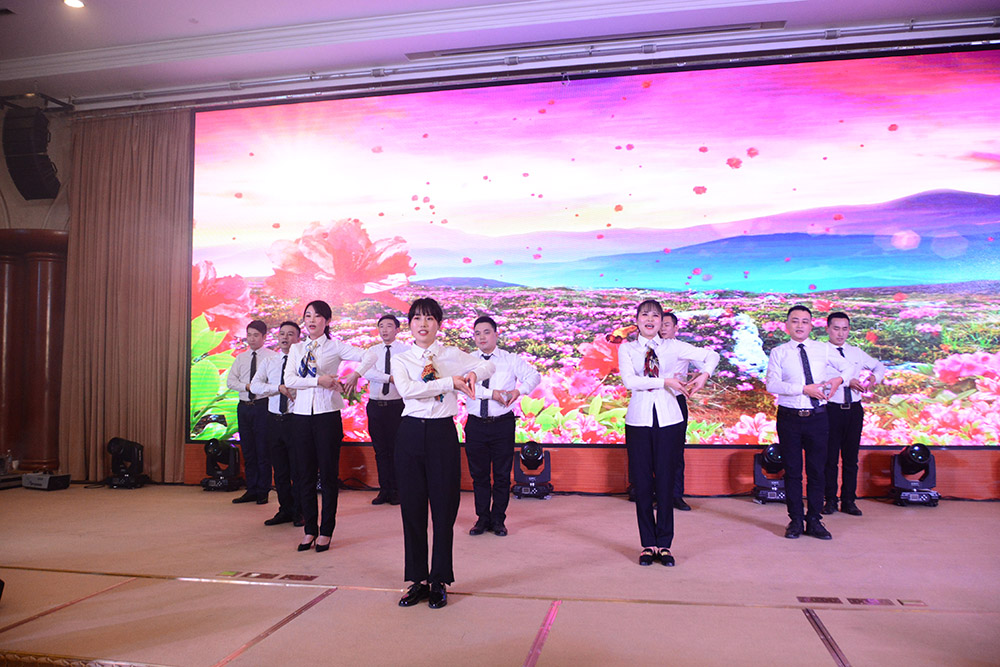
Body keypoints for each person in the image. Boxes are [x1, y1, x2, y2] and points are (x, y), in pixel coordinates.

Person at [393, 298, 494, 609]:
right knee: (412, 510)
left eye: (429, 319)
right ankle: (417, 580)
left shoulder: (451, 354)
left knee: (443, 509)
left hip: (441, 434)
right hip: (410, 433)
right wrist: (450, 382)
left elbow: (487, 364)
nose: (423, 324)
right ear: (410, 325)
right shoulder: (402, 359)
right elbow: (408, 390)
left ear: (439, 324)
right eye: (417, 319)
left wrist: (474, 374)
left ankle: (439, 579)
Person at [618, 299, 717, 567]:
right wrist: (666, 381)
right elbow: (630, 381)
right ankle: (647, 544)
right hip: (638, 421)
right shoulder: (627, 349)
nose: (650, 319)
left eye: (655, 316)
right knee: (642, 483)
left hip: (670, 419)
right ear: (637, 320)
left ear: (662, 321)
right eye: (645, 315)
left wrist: (704, 375)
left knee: (665, 481)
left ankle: (664, 544)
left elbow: (712, 355)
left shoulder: (674, 346)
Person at [283, 300, 364, 553]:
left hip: (327, 416)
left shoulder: (335, 346)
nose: (311, 320)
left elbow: (369, 355)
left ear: (327, 321)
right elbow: (289, 379)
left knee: (328, 476)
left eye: (317, 316)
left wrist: (355, 374)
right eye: (308, 315)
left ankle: (326, 531)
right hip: (301, 417)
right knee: (304, 475)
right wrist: (319, 380)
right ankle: (310, 529)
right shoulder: (297, 349)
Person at [765, 305, 851, 540]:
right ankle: (795, 520)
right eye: (795, 321)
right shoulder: (779, 352)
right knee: (792, 472)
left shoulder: (823, 349)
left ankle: (814, 519)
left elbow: (849, 367)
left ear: (811, 325)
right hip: (789, 418)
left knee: (816, 471)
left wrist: (838, 380)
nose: (800, 325)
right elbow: (772, 384)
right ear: (787, 325)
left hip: (818, 418)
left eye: (805, 321)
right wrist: (803, 389)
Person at [465, 315, 541, 537]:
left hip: (502, 425)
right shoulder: (468, 361)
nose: (481, 337)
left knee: (501, 475)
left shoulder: (510, 359)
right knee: (479, 475)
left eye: (486, 332)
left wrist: (519, 391)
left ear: (496, 335)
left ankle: (498, 520)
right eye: (477, 333)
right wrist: (492, 394)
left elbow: (534, 376)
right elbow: (467, 387)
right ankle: (482, 518)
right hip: (476, 425)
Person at [823, 311, 886, 517]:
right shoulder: (820, 352)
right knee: (830, 459)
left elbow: (879, 366)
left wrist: (874, 378)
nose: (840, 333)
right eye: (836, 328)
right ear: (827, 329)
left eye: (844, 329)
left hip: (854, 410)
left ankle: (849, 500)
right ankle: (830, 500)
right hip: (831, 410)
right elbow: (821, 378)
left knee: (851, 459)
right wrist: (846, 381)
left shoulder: (856, 352)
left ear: (849, 330)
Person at [659, 311, 717, 512]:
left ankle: (676, 495)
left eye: (667, 324)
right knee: (655, 450)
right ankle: (657, 494)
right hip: (652, 402)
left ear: (676, 328)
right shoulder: (647, 348)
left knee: (676, 449)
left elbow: (707, 360)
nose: (662, 328)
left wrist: (703, 375)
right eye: (660, 324)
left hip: (676, 401)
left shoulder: (681, 348)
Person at [250, 321, 304, 527]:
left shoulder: (303, 361)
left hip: (295, 420)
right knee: (280, 470)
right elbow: (255, 386)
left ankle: (299, 511)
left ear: (298, 339)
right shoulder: (270, 361)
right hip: (273, 420)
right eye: (282, 334)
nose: (285, 338)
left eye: (290, 334)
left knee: (297, 469)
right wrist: (277, 388)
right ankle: (285, 510)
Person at [226, 319, 277, 505]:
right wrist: (248, 386)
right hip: (244, 407)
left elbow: (274, 383)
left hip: (263, 406)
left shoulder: (272, 357)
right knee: (248, 450)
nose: (252, 339)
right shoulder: (241, 358)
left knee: (263, 450)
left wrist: (259, 388)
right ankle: (251, 489)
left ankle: (263, 490)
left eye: (256, 335)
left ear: (264, 337)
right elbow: (231, 382)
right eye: (249, 335)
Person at [361, 314, 409, 506]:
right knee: (380, 450)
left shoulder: (405, 351)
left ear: (397, 330)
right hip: (375, 406)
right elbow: (367, 372)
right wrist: (390, 378)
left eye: (389, 326)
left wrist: (392, 377)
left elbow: (406, 375)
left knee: (397, 450)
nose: (385, 330)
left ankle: (397, 490)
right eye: (381, 326)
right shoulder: (372, 352)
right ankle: (384, 490)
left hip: (396, 406)